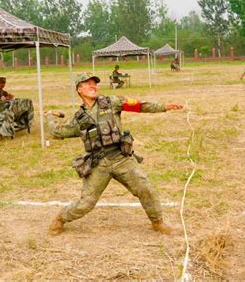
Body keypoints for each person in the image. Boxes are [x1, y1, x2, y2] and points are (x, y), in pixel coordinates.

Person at [46, 72, 184, 236]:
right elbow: (58, 131)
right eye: (87, 83)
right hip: (98, 164)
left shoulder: (112, 102)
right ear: (79, 89)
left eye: (94, 83)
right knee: (86, 204)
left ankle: (158, 222)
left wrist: (163, 106)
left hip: (121, 158)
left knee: (145, 188)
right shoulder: (78, 118)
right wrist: (49, 117)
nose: (93, 86)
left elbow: (139, 105)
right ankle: (61, 218)